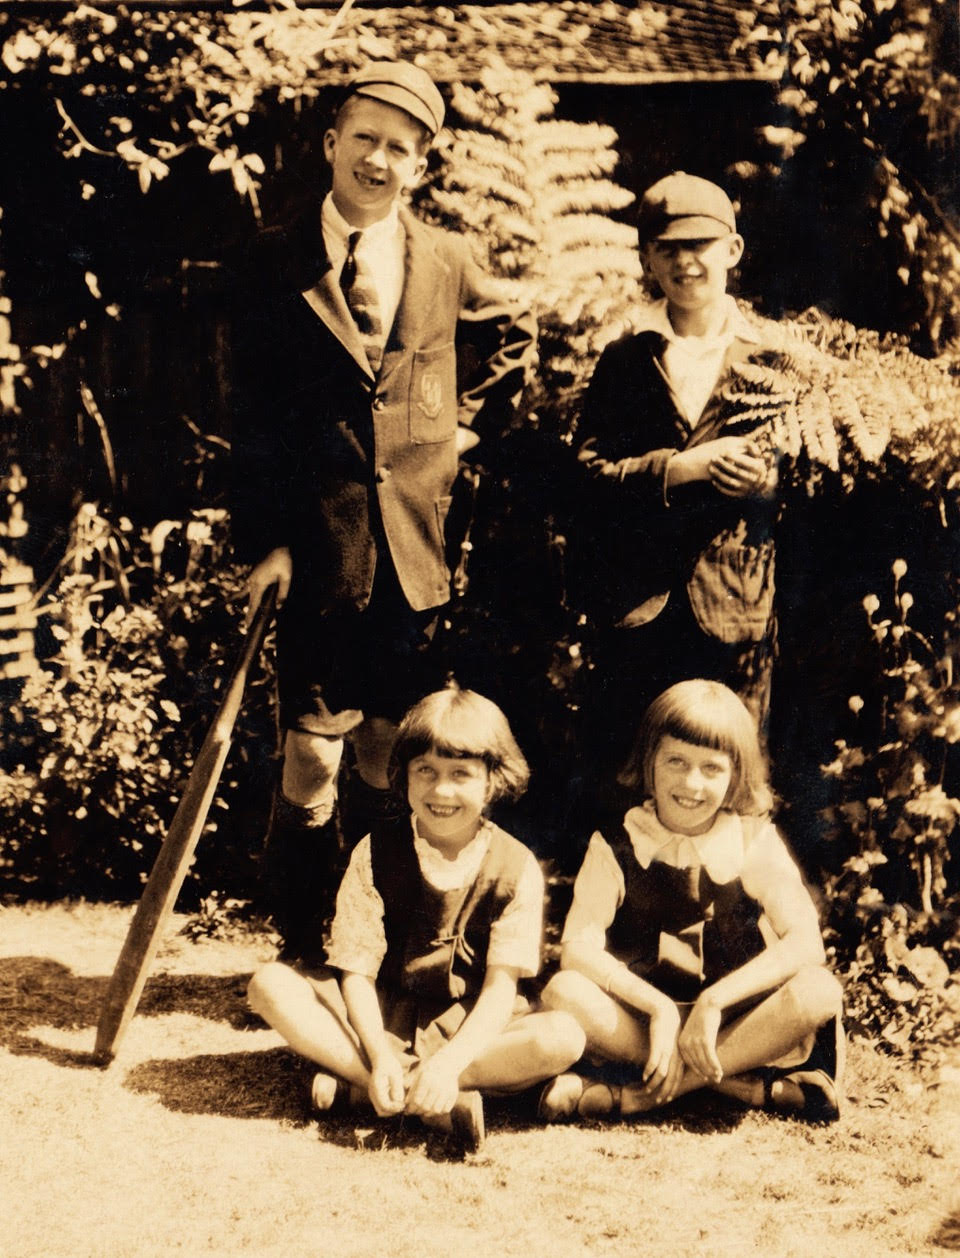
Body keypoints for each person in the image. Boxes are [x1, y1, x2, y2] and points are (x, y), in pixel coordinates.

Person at [229, 61, 536, 959]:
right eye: (363, 138)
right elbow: (247, 417)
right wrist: (267, 545)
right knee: (314, 755)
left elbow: (511, 339)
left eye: (399, 148)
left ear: (421, 168)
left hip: (414, 552)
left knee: (386, 753)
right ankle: (304, 940)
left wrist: (459, 434)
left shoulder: (445, 260)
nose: (377, 159)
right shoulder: (273, 261)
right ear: (331, 144)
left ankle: (376, 943)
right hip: (320, 551)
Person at [247, 686, 586, 1152]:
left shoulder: (516, 865)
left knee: (562, 1037)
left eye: (460, 774)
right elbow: (357, 975)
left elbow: (499, 988)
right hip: (381, 1016)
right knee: (269, 986)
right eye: (424, 770)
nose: (440, 790)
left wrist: (450, 1062)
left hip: (470, 1026)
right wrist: (381, 1054)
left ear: (492, 781)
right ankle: (411, 1093)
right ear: (403, 775)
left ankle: (370, 1089)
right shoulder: (375, 852)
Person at [539, 679, 844, 1123]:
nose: (691, 783)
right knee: (563, 991)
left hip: (734, 1020)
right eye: (676, 762)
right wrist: (659, 1008)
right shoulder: (617, 843)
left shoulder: (751, 840)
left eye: (711, 768)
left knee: (820, 990)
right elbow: (577, 951)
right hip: (642, 1022)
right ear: (650, 761)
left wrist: (715, 1001)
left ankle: (648, 1091)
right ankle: (741, 1085)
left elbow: (805, 943)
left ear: (735, 774)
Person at [572, 171, 781, 784]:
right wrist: (676, 468)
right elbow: (586, 476)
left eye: (701, 246)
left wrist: (767, 483)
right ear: (647, 259)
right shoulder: (627, 355)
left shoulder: (771, 356)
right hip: (641, 607)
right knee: (637, 771)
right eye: (668, 248)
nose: (686, 263)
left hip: (735, 607)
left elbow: (817, 477)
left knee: (730, 773)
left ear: (733, 251)